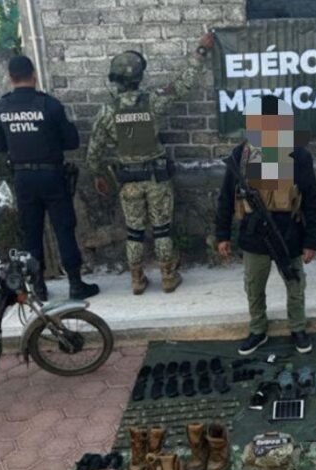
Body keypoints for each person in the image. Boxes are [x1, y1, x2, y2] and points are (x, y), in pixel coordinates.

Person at [87, 34, 214, 295]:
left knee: (134, 232)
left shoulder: (107, 112)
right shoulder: (154, 101)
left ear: (115, 79)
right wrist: (201, 51)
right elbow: (183, 84)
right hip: (157, 179)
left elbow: (93, 154)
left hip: (129, 182)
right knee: (162, 229)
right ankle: (168, 276)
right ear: (139, 77)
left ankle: (137, 279)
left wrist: (98, 175)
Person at [215, 96, 316, 356]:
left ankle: (297, 327)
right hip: (254, 234)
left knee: (294, 283)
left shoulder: (298, 155)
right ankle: (258, 329)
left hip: (289, 232)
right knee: (254, 286)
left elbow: (311, 199)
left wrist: (311, 240)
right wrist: (222, 234)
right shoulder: (242, 155)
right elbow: (226, 197)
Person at [0, 55, 100, 301]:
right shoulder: (48, 105)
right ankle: (75, 284)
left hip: (23, 177)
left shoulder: (1, 108)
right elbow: (71, 141)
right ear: (34, 75)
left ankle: (39, 287)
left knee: (31, 232)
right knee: (64, 229)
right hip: (51, 175)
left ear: (10, 78)